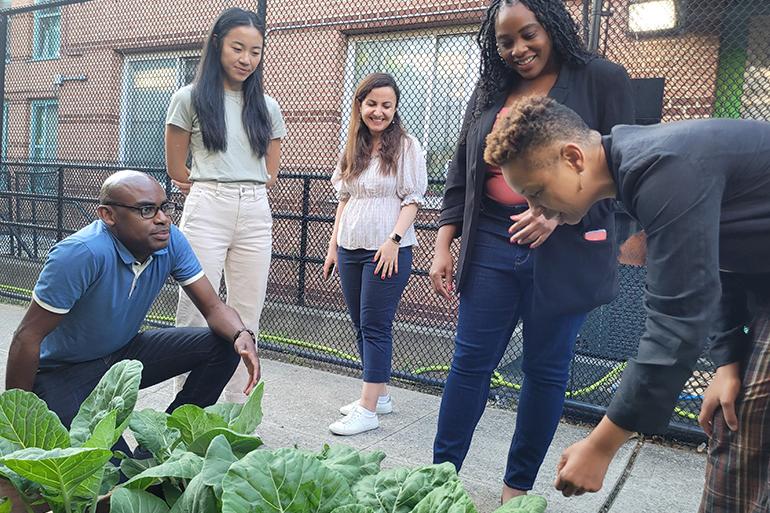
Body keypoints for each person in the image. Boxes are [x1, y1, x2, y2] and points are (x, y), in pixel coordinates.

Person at [484, 96, 770, 513]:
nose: (536, 209)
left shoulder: (663, 168)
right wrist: (728, 362)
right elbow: (717, 261)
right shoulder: (634, 170)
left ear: (572, 157)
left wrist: (603, 443)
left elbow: (676, 318)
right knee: (737, 420)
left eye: (536, 192)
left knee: (753, 423)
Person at [428, 0, 634, 502]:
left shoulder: (600, 79)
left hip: (566, 252)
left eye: (529, 35)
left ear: (552, 27)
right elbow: (463, 169)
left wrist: (561, 212)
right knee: (469, 363)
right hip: (493, 244)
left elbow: (628, 170)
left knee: (545, 371)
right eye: (505, 41)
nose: (518, 49)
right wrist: (443, 240)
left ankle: (514, 491)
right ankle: (437, 481)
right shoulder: (491, 88)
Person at [5, 171, 261, 444]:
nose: (162, 218)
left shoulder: (170, 240)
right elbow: (27, 337)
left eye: (165, 207)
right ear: (108, 215)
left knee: (223, 345)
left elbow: (213, 307)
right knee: (112, 479)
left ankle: (167, 446)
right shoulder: (81, 253)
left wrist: (240, 334)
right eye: (146, 210)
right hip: (64, 373)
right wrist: (20, 421)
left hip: (122, 356)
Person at [165, 7, 285, 403]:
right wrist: (208, 185)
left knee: (247, 312)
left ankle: (239, 408)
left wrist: (241, 186)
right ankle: (186, 410)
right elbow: (174, 166)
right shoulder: (189, 98)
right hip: (207, 205)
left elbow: (271, 170)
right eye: (238, 48)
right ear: (217, 44)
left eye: (255, 51)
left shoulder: (266, 106)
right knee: (195, 308)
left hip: (255, 208)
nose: (246, 59)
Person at [322, 73, 427, 436]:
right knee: (359, 323)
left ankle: (367, 411)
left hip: (387, 250)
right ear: (360, 105)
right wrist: (333, 245)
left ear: (395, 108)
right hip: (350, 245)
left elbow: (413, 200)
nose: (378, 111)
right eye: (372, 104)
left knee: (375, 324)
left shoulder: (406, 146)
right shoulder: (353, 145)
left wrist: (394, 240)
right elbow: (344, 198)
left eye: (386, 105)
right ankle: (378, 395)